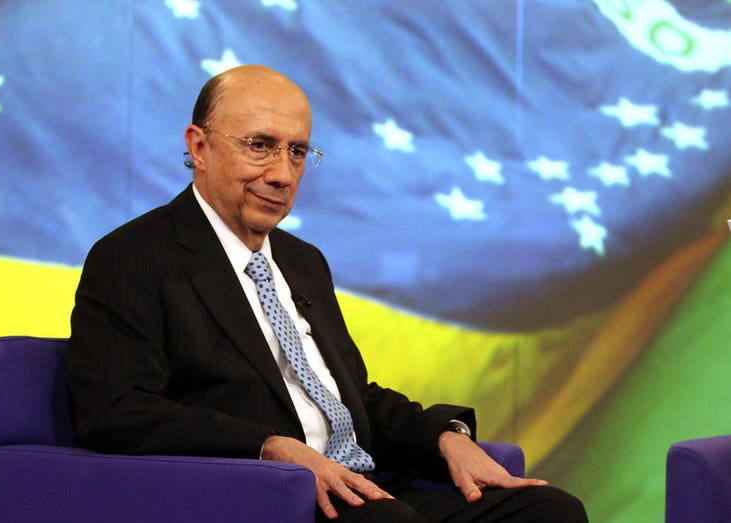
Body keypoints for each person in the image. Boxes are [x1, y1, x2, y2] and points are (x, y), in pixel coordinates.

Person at [66, 64, 588, 522]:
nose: (282, 174)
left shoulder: (301, 261)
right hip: (265, 496)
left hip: (366, 485)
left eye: (297, 152)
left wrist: (445, 435)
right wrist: (268, 448)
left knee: (550, 512)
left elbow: (349, 397)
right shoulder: (135, 256)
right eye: (260, 146)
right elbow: (116, 410)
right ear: (199, 146)